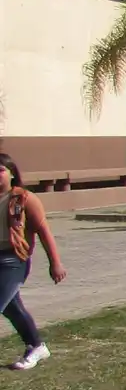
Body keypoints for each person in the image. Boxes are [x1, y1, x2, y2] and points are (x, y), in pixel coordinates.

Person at [0, 154, 66, 370]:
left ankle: (36, 347)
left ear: (12, 174)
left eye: (1, 170)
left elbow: (44, 231)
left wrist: (55, 263)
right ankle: (37, 346)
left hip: (14, 260)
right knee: (11, 307)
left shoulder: (24, 199)